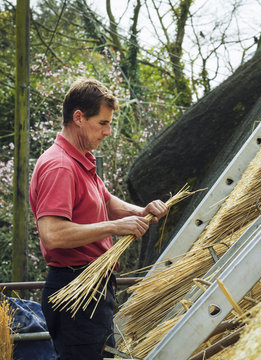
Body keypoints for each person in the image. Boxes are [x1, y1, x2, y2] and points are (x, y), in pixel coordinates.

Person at [29, 78, 168, 360]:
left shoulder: (80, 160)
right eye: (102, 123)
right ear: (78, 117)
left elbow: (105, 201)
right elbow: (52, 234)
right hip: (76, 290)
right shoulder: (60, 166)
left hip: (92, 288)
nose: (108, 132)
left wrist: (140, 212)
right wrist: (117, 227)